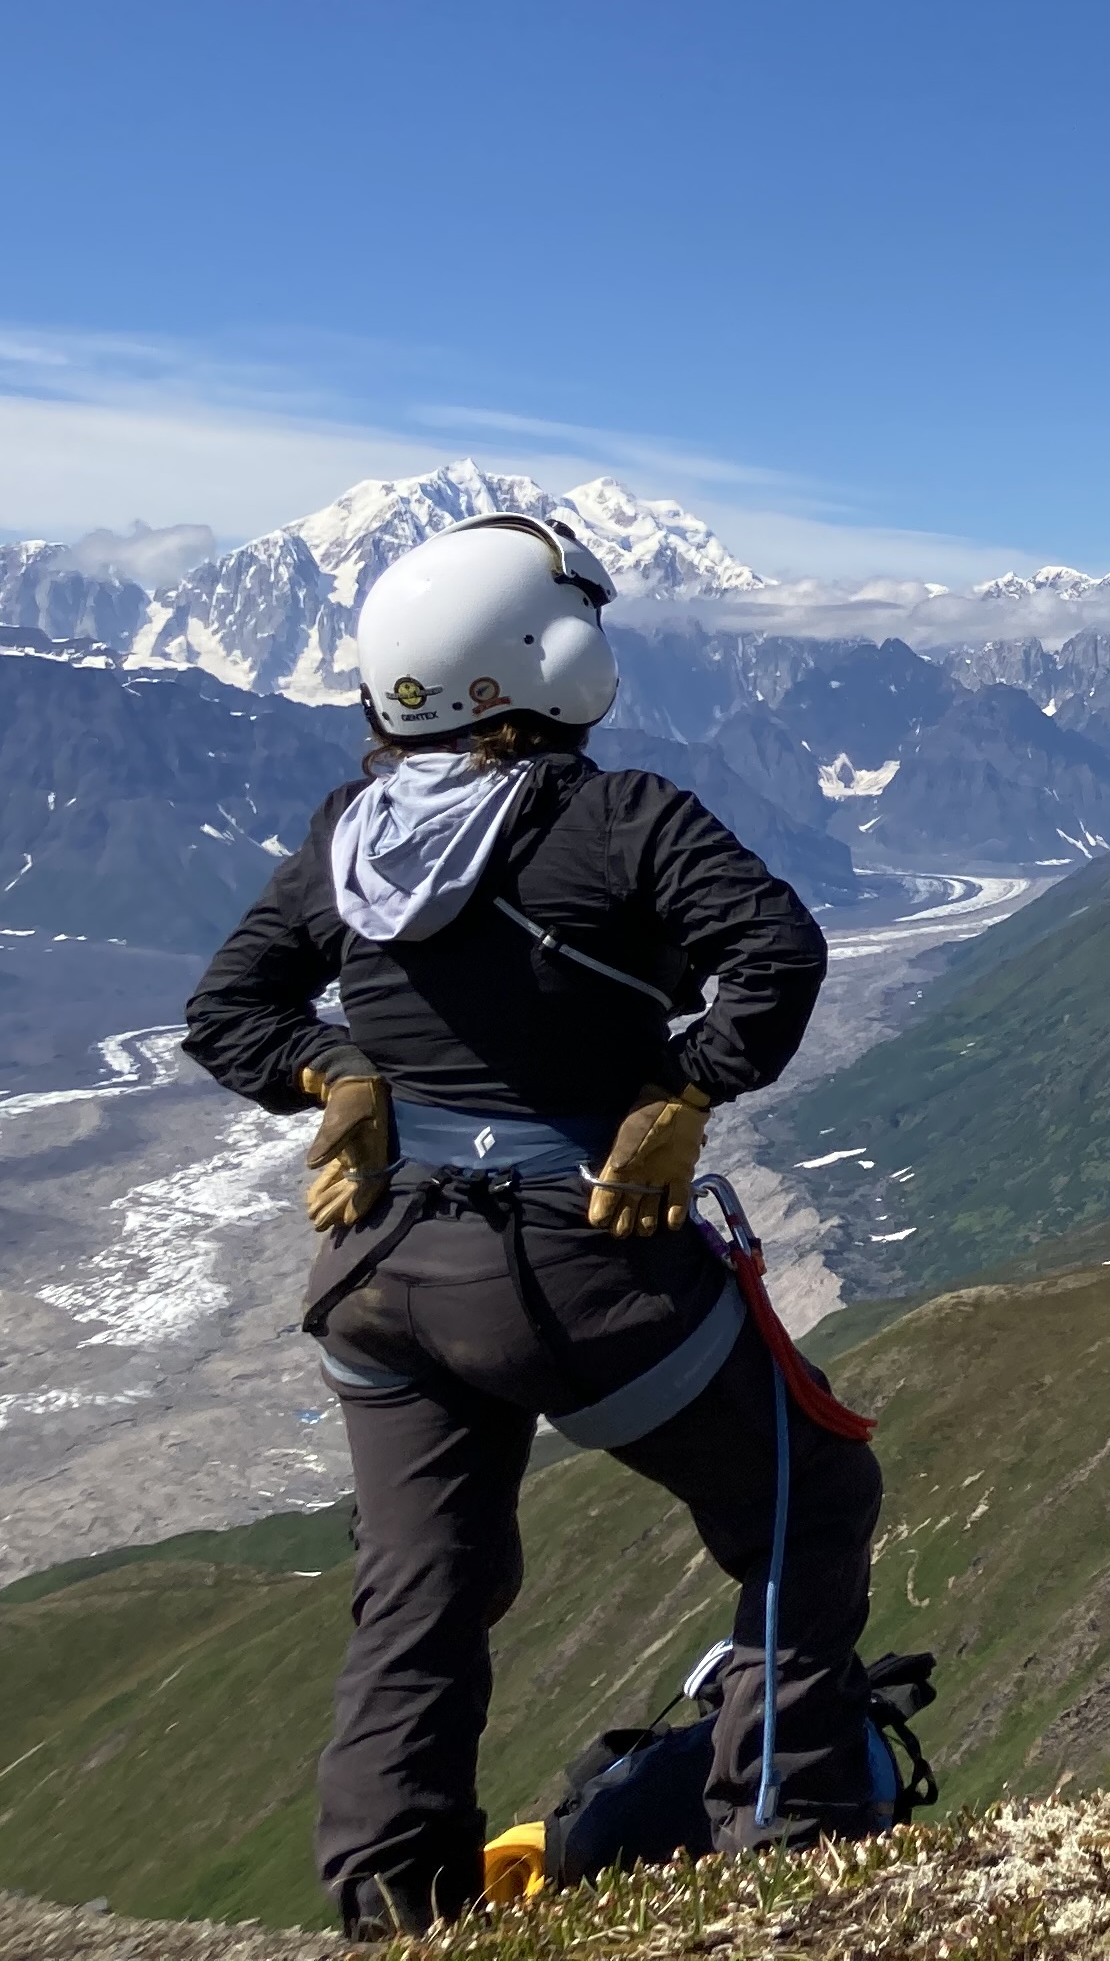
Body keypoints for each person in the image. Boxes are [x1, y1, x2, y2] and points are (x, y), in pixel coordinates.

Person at [183, 514, 877, 1941]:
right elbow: (777, 950)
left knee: (420, 1588)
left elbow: (227, 1012)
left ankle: (396, 1904)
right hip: (577, 1264)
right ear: (544, 660)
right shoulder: (618, 819)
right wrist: (686, 1091)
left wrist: (341, 1075)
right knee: (808, 1505)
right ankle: (790, 1859)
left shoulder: (346, 835)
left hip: (377, 1270)